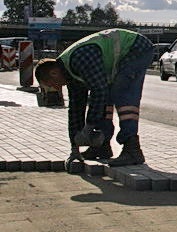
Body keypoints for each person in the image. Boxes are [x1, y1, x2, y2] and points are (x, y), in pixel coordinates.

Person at [34, 28, 155, 171]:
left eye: (51, 85)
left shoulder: (79, 59)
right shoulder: (70, 74)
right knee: (103, 99)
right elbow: (75, 110)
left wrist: (89, 127)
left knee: (122, 93)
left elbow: (99, 90)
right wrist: (75, 148)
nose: (55, 88)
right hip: (123, 54)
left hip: (136, 48)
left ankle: (132, 149)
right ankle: (102, 146)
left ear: (54, 73)